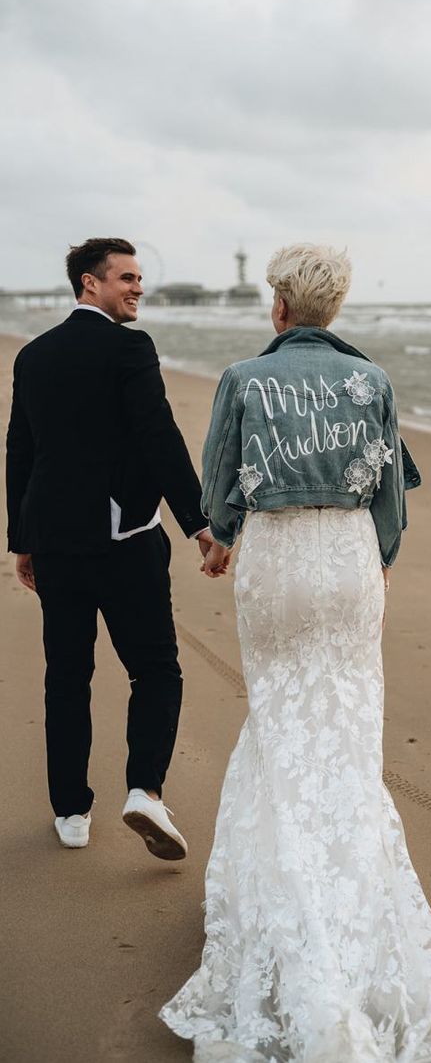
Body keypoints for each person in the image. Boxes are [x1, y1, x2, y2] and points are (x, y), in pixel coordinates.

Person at [160, 244, 431, 1061]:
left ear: (278, 308)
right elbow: (388, 504)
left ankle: (277, 900)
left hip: (274, 563)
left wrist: (220, 541)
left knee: (278, 718)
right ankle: (350, 904)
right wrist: (375, 566)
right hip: (346, 562)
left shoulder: (243, 379)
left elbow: (218, 489)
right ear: (333, 310)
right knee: (344, 729)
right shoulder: (371, 380)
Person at [5, 237, 226, 859]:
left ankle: (70, 811)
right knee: (155, 669)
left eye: (138, 279)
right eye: (125, 278)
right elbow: (158, 434)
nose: (137, 288)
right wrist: (199, 523)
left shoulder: (34, 355)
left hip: (54, 541)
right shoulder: (130, 347)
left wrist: (22, 539)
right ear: (88, 285)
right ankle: (145, 791)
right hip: (124, 541)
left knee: (67, 676)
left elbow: (20, 449)